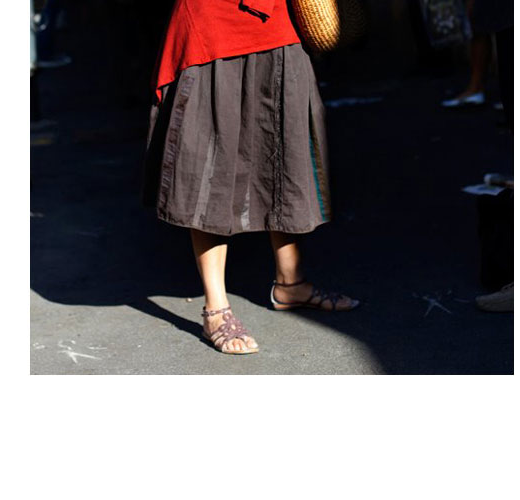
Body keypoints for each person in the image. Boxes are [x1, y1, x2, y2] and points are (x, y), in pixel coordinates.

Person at [141, 0, 360, 355]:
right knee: (213, 161)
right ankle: (216, 308)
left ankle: (291, 283)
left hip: (280, 20)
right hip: (214, 20)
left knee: (284, 149)